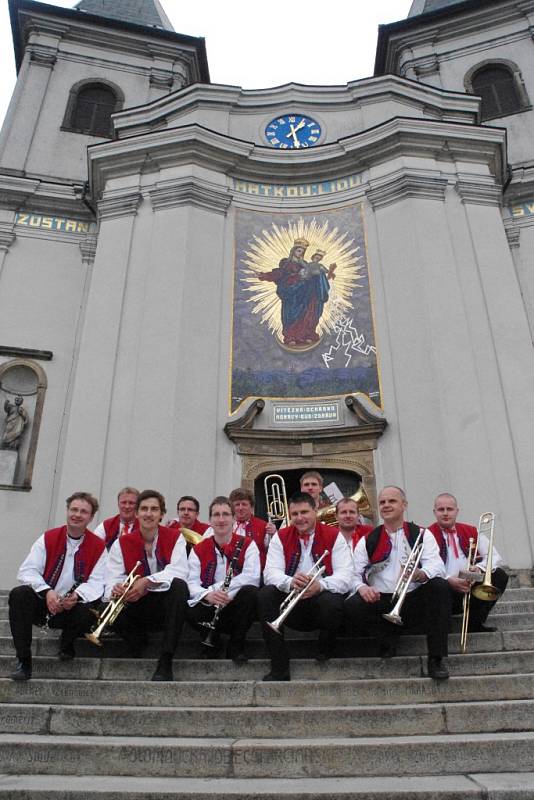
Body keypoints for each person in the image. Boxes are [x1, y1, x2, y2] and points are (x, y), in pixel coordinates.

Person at [344, 486, 451, 680]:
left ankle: (436, 658)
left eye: (391, 501)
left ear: (404, 505)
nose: (386, 505)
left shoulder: (421, 534)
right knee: (351, 605)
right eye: (383, 502)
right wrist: (362, 587)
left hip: (412, 597)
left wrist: (420, 573)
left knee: (440, 587)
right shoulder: (369, 539)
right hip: (381, 599)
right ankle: (385, 638)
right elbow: (353, 574)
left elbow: (437, 566)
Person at [8, 491, 106, 681]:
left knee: (90, 610)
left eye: (83, 512)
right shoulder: (48, 538)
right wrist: (47, 592)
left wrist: (77, 595)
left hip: (73, 608)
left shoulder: (98, 546)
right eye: (74, 509)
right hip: (46, 603)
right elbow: (27, 570)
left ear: (91, 517)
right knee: (19, 594)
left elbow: (98, 581)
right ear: (67, 511)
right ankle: (24, 661)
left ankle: (67, 643)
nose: (77, 515)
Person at [257, 491, 353, 681]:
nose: (300, 518)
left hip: (320, 602)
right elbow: (270, 572)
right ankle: (279, 665)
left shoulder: (334, 535)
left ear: (315, 510)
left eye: (304, 512)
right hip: (291, 599)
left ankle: (325, 648)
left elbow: (346, 575)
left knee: (332, 601)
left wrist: (320, 585)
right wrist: (290, 582)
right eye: (294, 514)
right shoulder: (281, 536)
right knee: (265, 595)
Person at [104, 489, 189, 681]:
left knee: (179, 587)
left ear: (161, 514)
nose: (148, 514)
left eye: (154, 509)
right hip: (136, 604)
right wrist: (118, 587)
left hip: (163, 605)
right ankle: (136, 641)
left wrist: (147, 581)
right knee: (105, 607)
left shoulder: (176, 537)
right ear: (136, 513)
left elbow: (180, 570)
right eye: (144, 509)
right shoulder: (121, 543)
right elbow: (112, 576)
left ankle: (165, 660)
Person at [187, 496, 260, 663]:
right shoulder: (198, 549)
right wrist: (208, 595)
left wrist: (219, 591)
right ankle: (211, 639)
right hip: (209, 604)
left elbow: (252, 577)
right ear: (210, 520)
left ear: (233, 518)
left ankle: (236, 644)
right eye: (216, 515)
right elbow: (191, 582)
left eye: (226, 514)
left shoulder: (248, 545)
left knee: (251, 592)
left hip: (234, 604)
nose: (221, 519)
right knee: (186, 603)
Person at [428, 492, 509, 632]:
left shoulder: (471, 531)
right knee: (436, 585)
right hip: (443, 588)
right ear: (434, 512)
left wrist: (479, 568)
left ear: (457, 511)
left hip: (469, 585)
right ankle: (440, 626)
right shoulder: (426, 535)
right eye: (441, 510)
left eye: (450, 509)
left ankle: (474, 623)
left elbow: (494, 556)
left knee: (499, 575)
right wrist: (448, 580)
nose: (446, 513)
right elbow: (424, 567)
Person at [258, 238, 332, 346]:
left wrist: (317, 276)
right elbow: (279, 274)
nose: (300, 253)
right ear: (293, 250)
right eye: (298, 251)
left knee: (307, 312)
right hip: (291, 293)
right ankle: (291, 336)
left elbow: (311, 274)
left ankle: (305, 335)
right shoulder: (286, 263)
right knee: (291, 314)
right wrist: (264, 275)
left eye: (302, 252)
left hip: (304, 293)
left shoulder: (305, 264)